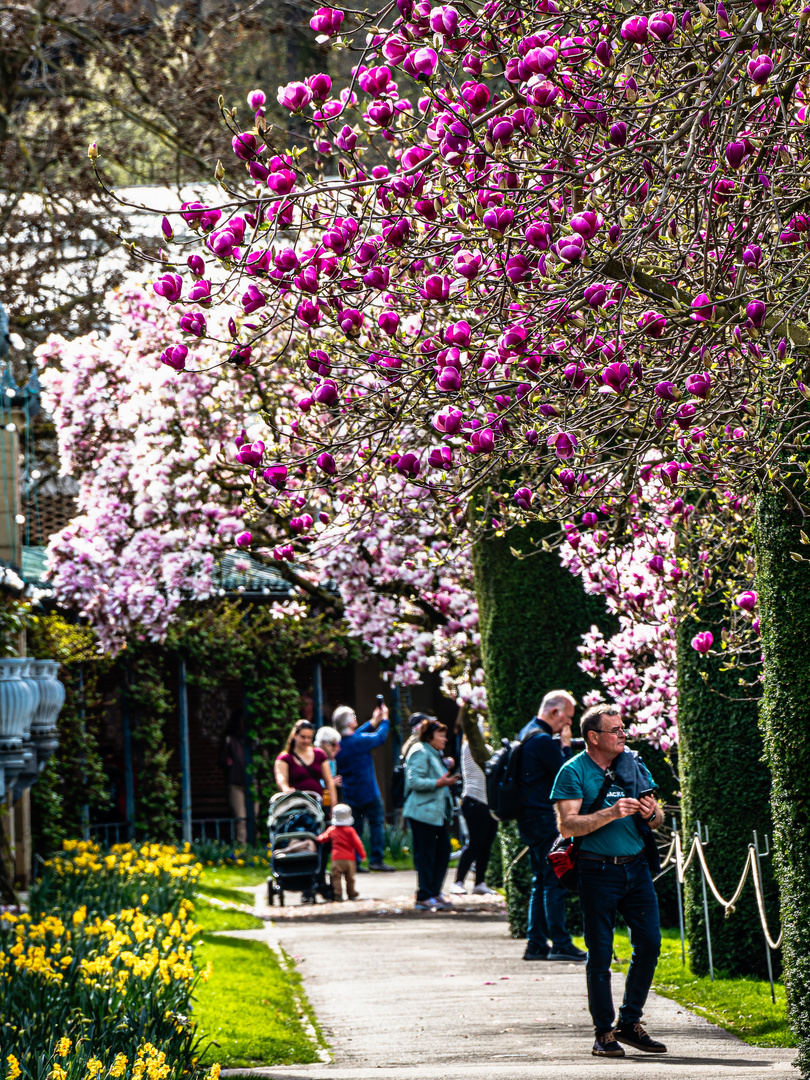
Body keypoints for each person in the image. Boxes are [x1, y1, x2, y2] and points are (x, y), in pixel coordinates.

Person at [551, 703, 666, 1058]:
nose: (622, 735)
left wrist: (652, 814)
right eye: (614, 730)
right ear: (593, 737)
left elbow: (657, 817)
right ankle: (603, 1033)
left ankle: (629, 1022)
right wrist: (611, 812)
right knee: (600, 954)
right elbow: (567, 825)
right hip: (596, 870)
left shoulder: (633, 764)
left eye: (622, 729)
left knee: (649, 944)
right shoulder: (572, 772)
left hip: (636, 868)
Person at [517, 690, 587, 963]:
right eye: (567, 718)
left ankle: (535, 944)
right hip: (545, 818)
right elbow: (567, 775)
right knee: (556, 880)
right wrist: (567, 746)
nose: (567, 725)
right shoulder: (544, 740)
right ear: (555, 712)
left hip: (528, 818)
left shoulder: (527, 732)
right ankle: (559, 942)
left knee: (541, 880)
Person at [333, 703, 395, 872]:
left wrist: (373, 721)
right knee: (376, 824)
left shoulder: (339, 744)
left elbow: (356, 736)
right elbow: (380, 737)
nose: (355, 719)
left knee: (355, 828)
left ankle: (356, 862)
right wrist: (385, 720)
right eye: (353, 717)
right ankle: (376, 860)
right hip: (368, 792)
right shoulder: (359, 741)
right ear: (347, 723)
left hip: (351, 793)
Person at [403, 718, 457, 910]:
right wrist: (438, 783)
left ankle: (434, 892)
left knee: (442, 850)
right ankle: (424, 895)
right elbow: (414, 782)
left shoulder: (433, 753)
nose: (444, 739)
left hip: (435, 813)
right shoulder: (420, 751)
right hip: (422, 812)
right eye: (440, 735)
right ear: (429, 736)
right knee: (426, 853)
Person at [450, 712, 498, 896]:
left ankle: (480, 882)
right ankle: (459, 881)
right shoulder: (470, 748)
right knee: (475, 843)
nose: (485, 730)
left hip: (488, 803)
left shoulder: (482, 748)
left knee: (485, 844)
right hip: (474, 800)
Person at [274, 720, 338, 809]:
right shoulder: (285, 758)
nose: (306, 740)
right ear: (294, 735)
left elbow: (329, 781)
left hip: (317, 805)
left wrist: (333, 805)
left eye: (309, 737)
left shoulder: (319, 754)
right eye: (303, 737)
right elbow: (281, 778)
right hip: (295, 805)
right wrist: (286, 789)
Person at [317, 803, 366, 901]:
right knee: (350, 878)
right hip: (350, 859)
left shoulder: (332, 830)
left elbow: (322, 838)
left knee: (336, 878)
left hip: (337, 859)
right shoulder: (350, 830)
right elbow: (357, 843)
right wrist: (362, 855)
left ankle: (338, 894)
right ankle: (351, 893)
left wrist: (317, 838)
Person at [315, 726, 342, 810]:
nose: (337, 748)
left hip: (329, 803)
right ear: (324, 743)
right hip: (317, 803)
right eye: (334, 744)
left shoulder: (332, 760)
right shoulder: (313, 757)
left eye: (338, 744)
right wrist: (331, 782)